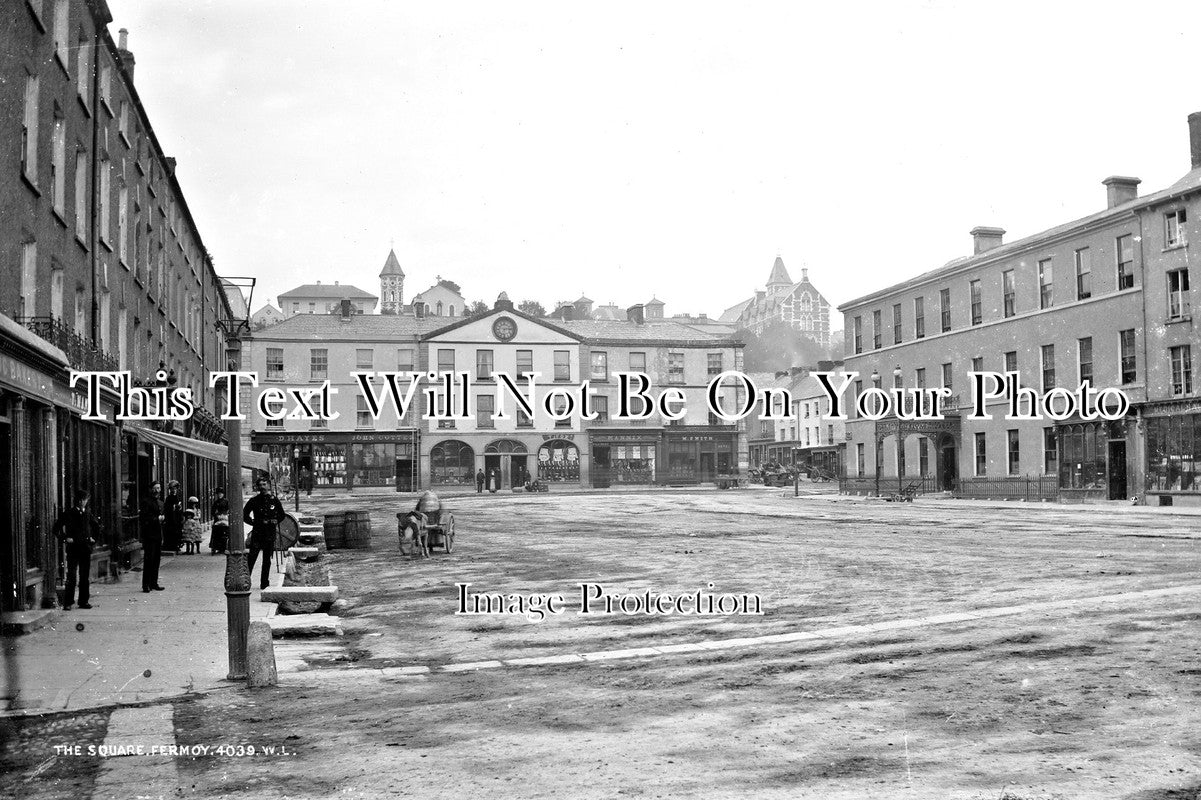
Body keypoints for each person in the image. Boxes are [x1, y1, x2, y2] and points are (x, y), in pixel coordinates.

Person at [55, 489, 100, 610]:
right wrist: (65, 538)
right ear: (79, 501)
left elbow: (96, 527)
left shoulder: (87, 513)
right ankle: (68, 602)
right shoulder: (69, 513)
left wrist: (93, 539)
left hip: (85, 548)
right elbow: (56, 528)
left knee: (84, 576)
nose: (84, 502)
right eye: (83, 500)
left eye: (85, 500)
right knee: (72, 576)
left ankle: (83, 601)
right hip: (73, 548)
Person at [243, 477, 285, 591]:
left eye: (264, 484)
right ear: (257, 487)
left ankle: (264, 583)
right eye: (260, 485)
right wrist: (254, 523)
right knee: (252, 558)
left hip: (270, 533)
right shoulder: (254, 500)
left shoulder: (274, 500)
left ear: (268, 486)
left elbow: (282, 514)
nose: (262, 487)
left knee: (267, 560)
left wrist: (275, 520)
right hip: (257, 533)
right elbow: (245, 515)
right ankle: (246, 582)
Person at [140, 481, 166, 592]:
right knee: (149, 560)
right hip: (149, 535)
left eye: (159, 488)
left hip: (158, 535)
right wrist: (157, 519)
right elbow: (145, 518)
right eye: (155, 488)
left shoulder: (160, 503)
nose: (157, 490)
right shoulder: (146, 502)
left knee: (156, 560)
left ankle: (154, 583)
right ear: (151, 489)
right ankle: (146, 584)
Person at [163, 480, 184, 553]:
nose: (174, 490)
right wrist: (174, 506)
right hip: (171, 518)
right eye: (173, 489)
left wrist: (179, 507)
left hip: (176, 517)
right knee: (172, 531)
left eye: (175, 489)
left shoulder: (176, 497)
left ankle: (176, 545)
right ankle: (171, 545)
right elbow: (167, 508)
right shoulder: (169, 498)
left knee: (177, 531)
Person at [209, 488, 230, 554]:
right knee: (217, 532)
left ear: (223, 494)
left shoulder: (226, 501)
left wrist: (226, 515)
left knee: (225, 532)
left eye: (221, 494)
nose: (219, 495)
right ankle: (217, 547)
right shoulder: (216, 502)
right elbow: (213, 511)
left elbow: (229, 509)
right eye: (218, 494)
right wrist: (216, 515)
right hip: (218, 518)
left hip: (225, 517)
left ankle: (223, 547)